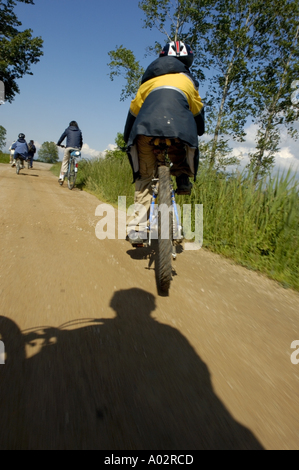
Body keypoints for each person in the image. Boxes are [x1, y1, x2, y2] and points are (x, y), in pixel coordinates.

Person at [124, 41, 205, 243]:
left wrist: (128, 138)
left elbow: (132, 114)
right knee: (182, 144)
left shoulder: (147, 83)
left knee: (144, 178)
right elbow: (198, 115)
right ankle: (183, 178)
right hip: (178, 129)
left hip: (145, 130)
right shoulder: (188, 82)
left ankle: (138, 228)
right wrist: (199, 131)